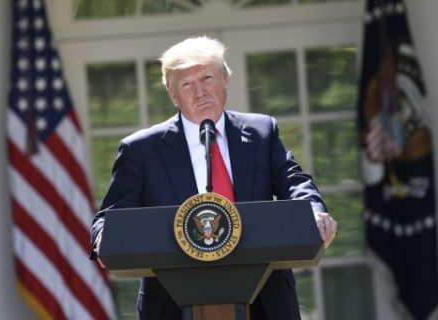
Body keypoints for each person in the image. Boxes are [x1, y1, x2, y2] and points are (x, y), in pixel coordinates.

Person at [90, 36, 337, 320]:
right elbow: (108, 219)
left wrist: (314, 212)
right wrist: (103, 235)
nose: (200, 92)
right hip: (172, 306)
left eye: (207, 78)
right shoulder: (141, 150)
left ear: (226, 80)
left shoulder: (261, 132)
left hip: (265, 302)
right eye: (187, 84)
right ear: (173, 95)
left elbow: (294, 181)